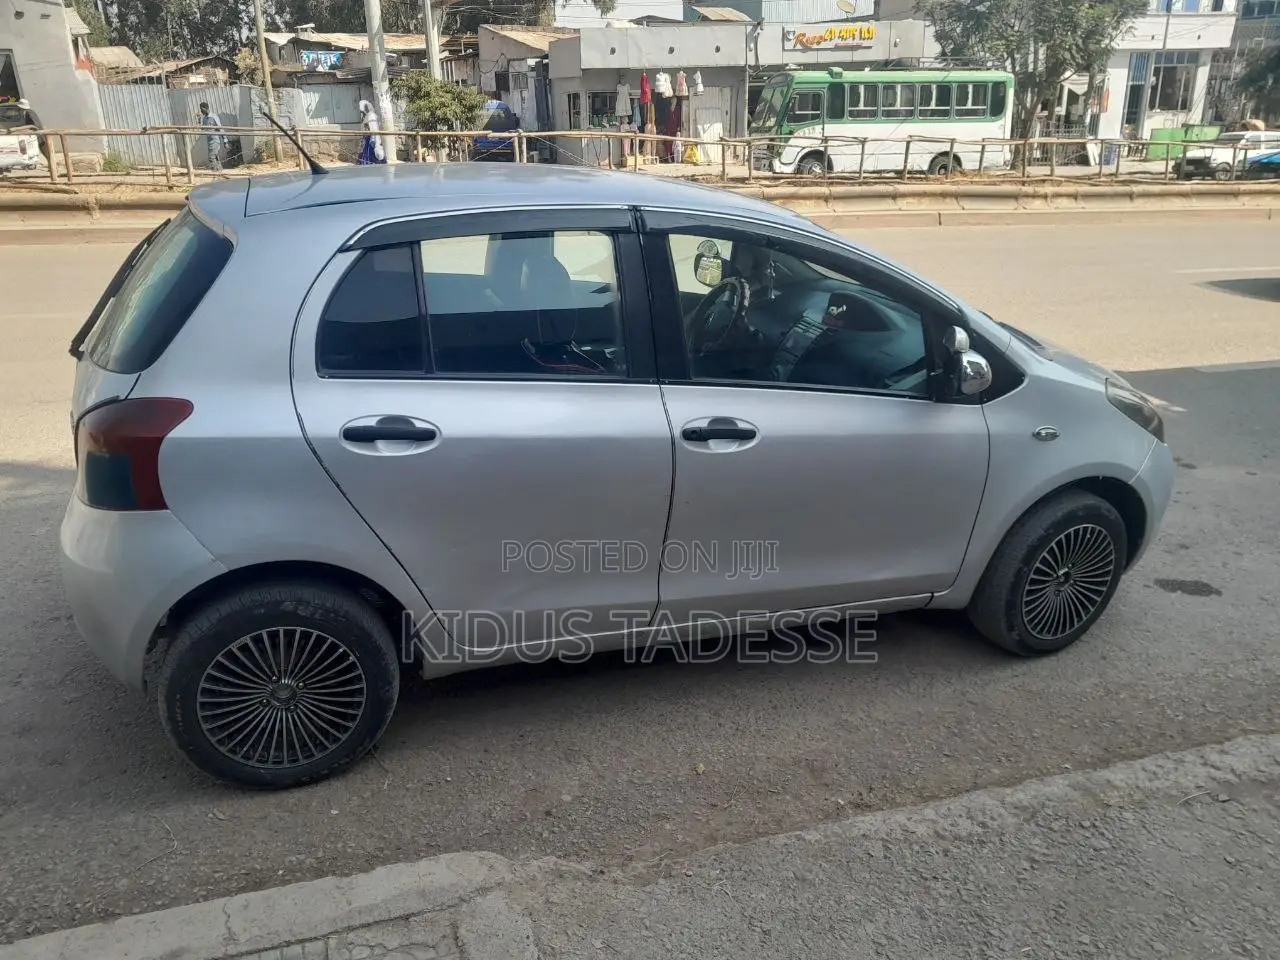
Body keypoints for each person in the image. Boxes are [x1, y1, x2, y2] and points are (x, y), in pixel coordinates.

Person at [14, 98, 49, 163]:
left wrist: (29, 129)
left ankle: (52, 165)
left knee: (44, 149)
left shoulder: (29, 112)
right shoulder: (26, 112)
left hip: (38, 133)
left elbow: (35, 124)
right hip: (34, 133)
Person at [198, 102, 228, 172]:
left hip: (215, 141)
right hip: (209, 141)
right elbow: (203, 129)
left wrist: (225, 141)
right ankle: (220, 171)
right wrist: (199, 120)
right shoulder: (205, 118)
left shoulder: (214, 117)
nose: (201, 111)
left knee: (211, 157)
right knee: (215, 157)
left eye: (201, 109)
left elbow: (220, 129)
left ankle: (215, 172)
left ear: (204, 108)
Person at [358, 100, 386, 165]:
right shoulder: (367, 116)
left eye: (363, 110)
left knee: (371, 151)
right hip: (367, 136)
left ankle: (372, 163)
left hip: (372, 137)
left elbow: (373, 128)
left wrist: (372, 136)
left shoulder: (371, 116)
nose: (362, 112)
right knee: (366, 151)